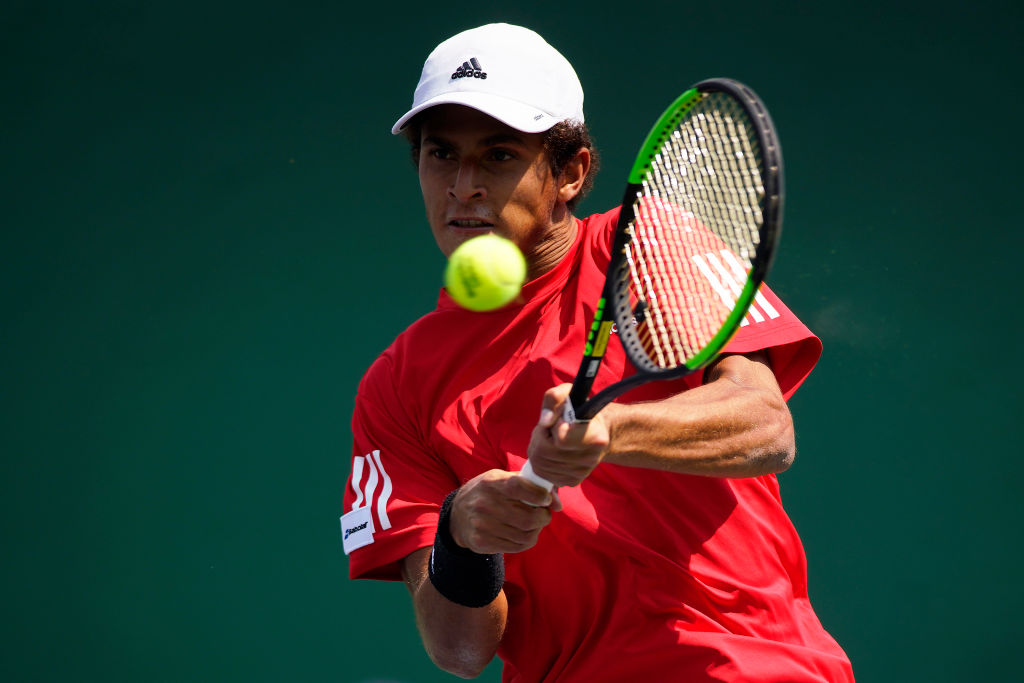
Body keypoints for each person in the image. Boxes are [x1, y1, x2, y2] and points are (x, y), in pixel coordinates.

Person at [341, 22, 854, 682]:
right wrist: (462, 537)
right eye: (441, 154)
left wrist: (612, 430)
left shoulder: (646, 246)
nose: (463, 184)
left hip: (744, 667)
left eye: (499, 155)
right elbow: (459, 652)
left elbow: (765, 424)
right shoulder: (394, 386)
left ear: (571, 172)